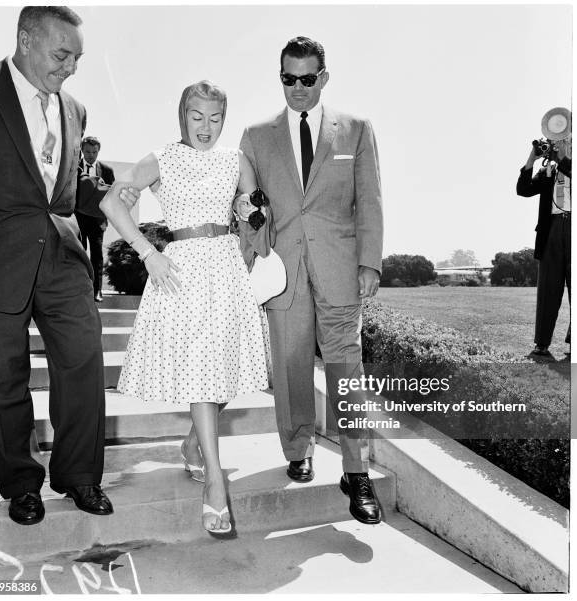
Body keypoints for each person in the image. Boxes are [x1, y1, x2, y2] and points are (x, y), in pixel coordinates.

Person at [0, 6, 127, 524]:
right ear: (25, 39)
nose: (71, 68)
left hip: (62, 255)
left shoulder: (76, 109)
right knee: (0, 376)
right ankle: (20, 485)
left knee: (83, 361)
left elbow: (67, 188)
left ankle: (80, 477)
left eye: (78, 58)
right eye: (62, 55)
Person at [100, 81, 268, 534]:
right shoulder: (162, 158)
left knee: (227, 371)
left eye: (215, 118)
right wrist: (145, 251)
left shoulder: (236, 159)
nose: (206, 127)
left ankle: (195, 442)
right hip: (181, 271)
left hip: (227, 268)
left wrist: (254, 211)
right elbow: (111, 201)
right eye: (197, 116)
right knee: (200, 369)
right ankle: (215, 481)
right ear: (182, 115)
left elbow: (250, 205)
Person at [237, 36, 383, 524]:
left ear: (323, 76)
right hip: (285, 274)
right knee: (291, 367)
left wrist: (370, 262)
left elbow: (371, 202)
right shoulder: (256, 137)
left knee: (348, 372)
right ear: (279, 76)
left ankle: (356, 471)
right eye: (287, 78)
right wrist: (250, 228)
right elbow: (247, 206)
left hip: (341, 269)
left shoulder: (357, 130)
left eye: (306, 78)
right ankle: (297, 450)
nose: (296, 88)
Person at [517, 124, 571, 356]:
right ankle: (542, 342)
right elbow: (523, 189)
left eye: (564, 140)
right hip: (551, 231)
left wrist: (564, 158)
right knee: (548, 288)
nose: (558, 143)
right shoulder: (548, 170)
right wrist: (533, 157)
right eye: (556, 141)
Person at [76, 136, 116, 302]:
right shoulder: (74, 167)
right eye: (87, 151)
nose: (90, 155)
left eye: (94, 152)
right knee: (79, 254)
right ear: (81, 150)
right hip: (77, 218)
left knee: (97, 255)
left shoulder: (106, 170)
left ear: (98, 151)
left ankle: (96, 290)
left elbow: (112, 194)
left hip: (97, 220)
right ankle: (79, 289)